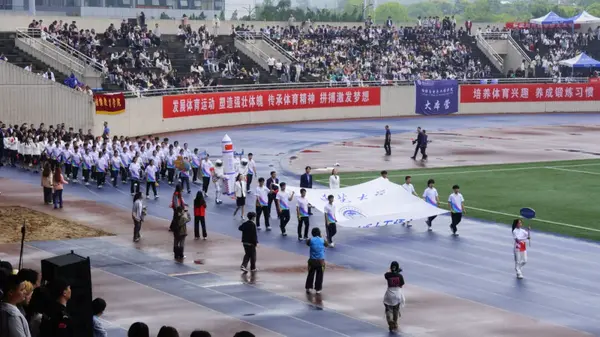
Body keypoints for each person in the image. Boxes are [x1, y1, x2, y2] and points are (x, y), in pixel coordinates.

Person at [305, 227, 329, 294]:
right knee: (320, 275)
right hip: (320, 262)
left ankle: (309, 287)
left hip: (312, 261)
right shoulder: (322, 240)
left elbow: (307, 243)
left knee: (310, 274)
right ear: (319, 233)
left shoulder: (310, 240)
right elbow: (327, 245)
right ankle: (318, 289)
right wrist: (321, 237)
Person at [383, 261, 405, 332]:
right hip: (397, 294)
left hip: (389, 294)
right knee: (396, 309)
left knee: (388, 308)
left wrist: (390, 270)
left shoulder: (388, 275)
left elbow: (386, 274)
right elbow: (401, 285)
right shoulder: (400, 276)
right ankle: (395, 323)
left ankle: (390, 321)